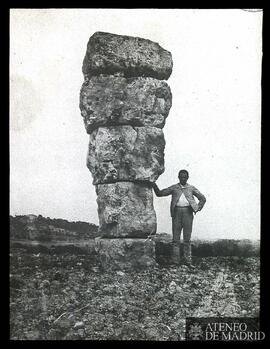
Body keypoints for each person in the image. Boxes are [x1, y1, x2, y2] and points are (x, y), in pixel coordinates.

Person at [153, 169, 206, 266]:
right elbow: (160, 193)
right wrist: (152, 183)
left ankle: (188, 261)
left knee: (187, 239)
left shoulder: (191, 188)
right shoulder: (174, 187)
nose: (183, 179)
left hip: (188, 213)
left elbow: (203, 198)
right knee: (176, 239)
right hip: (176, 213)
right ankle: (175, 261)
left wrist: (198, 208)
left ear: (187, 178)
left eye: (185, 177)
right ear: (178, 177)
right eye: (181, 177)